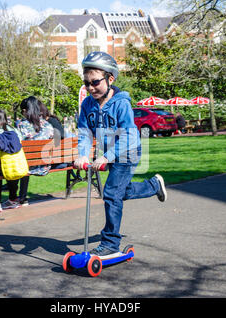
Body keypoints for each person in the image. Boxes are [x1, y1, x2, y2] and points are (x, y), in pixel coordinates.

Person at [74, 51, 168, 257]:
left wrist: (106, 157)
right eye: (86, 83)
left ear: (110, 78)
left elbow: (128, 136)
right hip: (108, 153)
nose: (90, 88)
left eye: (95, 82)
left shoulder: (121, 103)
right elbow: (84, 133)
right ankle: (153, 185)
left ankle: (110, 243)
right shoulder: (87, 105)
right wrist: (82, 154)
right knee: (117, 192)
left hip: (128, 151)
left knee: (111, 194)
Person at [6, 96, 54, 208]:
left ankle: (13, 198)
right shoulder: (48, 124)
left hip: (26, 165)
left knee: (13, 161)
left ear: (24, 111)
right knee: (26, 161)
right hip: (44, 165)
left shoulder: (21, 124)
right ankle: (22, 198)